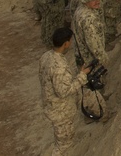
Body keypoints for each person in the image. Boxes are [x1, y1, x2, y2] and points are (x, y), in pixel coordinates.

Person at [39, 27, 91, 156]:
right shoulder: (59, 67)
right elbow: (63, 91)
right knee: (64, 146)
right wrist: (82, 76)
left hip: (52, 106)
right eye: (70, 41)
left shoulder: (47, 56)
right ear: (66, 44)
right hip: (61, 111)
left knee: (62, 141)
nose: (71, 43)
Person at [72, 0, 107, 67]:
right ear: (85, 0)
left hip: (81, 55)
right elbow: (93, 42)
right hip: (90, 60)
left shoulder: (80, 9)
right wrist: (102, 58)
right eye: (93, 0)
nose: (97, 1)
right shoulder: (89, 18)